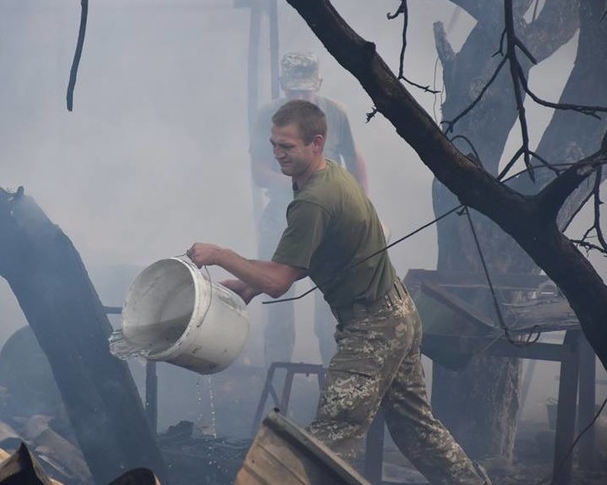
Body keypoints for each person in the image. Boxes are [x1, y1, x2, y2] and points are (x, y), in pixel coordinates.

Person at [187, 100, 489, 484]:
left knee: (329, 440)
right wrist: (248, 285)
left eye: (287, 147)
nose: (278, 155)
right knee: (418, 432)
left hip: (373, 330)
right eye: (274, 145)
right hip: (398, 314)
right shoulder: (327, 177)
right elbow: (303, 260)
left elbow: (279, 282)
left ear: (317, 143)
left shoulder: (314, 200)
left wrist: (221, 255)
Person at [250, 52, 367, 366]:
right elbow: (259, 171)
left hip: (331, 221)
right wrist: (298, 185)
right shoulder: (267, 116)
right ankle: (277, 383)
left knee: (331, 309)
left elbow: (355, 161)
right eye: (294, 92)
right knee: (277, 305)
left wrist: (363, 209)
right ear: (283, 87)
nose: (301, 98)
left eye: (306, 91)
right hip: (283, 217)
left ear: (318, 84)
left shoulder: (335, 114)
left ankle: (335, 378)